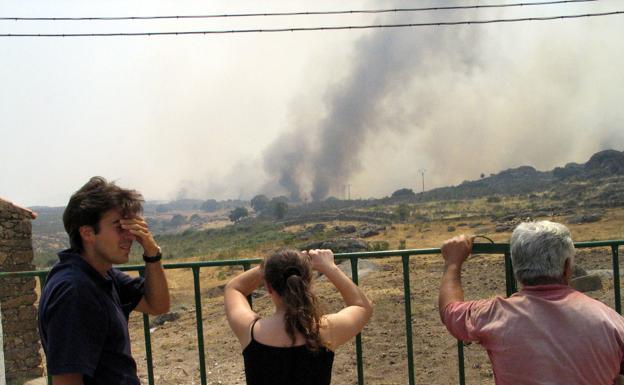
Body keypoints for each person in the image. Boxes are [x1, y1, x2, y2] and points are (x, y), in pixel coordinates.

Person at [439, 220, 624, 385]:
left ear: (516, 269)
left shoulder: (493, 315)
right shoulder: (611, 322)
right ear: (567, 267)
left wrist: (453, 262)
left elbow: (449, 311)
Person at [38, 177, 170, 385]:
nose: (130, 236)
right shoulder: (74, 290)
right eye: (120, 227)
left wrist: (152, 253)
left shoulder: (101, 274)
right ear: (88, 233)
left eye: (132, 226)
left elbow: (158, 305)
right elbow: (66, 380)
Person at [224, 249, 373, 385]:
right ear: (307, 282)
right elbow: (362, 306)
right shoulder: (325, 331)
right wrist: (329, 267)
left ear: (268, 287)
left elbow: (234, 287)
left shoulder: (250, 331)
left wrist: (268, 267)